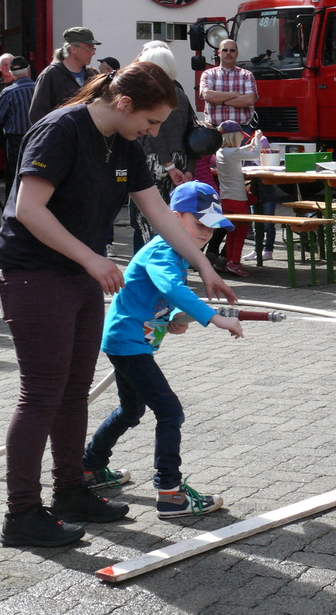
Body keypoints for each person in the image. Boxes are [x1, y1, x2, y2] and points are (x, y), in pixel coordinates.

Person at [0, 62, 237, 548]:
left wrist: (203, 265)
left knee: (74, 390)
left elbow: (159, 213)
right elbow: (28, 209)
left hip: (81, 273)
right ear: (123, 103)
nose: (152, 132)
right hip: (34, 273)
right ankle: (22, 513)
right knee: (41, 394)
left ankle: (70, 490)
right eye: (150, 122)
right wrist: (92, 259)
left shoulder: (124, 142)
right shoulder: (59, 131)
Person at [83, 181, 243, 518]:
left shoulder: (178, 253)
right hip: (128, 343)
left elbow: (161, 295)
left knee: (131, 411)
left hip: (130, 341)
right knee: (170, 411)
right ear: (174, 217)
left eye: (213, 229)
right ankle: (170, 492)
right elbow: (171, 286)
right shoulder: (163, 250)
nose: (206, 234)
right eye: (199, 224)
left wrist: (173, 318)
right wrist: (213, 318)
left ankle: (89, 467)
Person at [129, 42, 201, 251]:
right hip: (180, 162)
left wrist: (168, 165)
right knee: (171, 218)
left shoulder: (148, 94)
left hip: (155, 162)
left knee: (144, 220)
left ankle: (147, 266)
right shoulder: (178, 91)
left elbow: (152, 134)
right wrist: (189, 167)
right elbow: (194, 132)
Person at [214, 121, 262, 277]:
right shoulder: (232, 153)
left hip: (226, 198)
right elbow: (255, 154)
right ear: (234, 137)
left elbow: (240, 151)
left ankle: (229, 260)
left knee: (231, 231)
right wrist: (259, 141)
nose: (242, 139)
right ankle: (234, 262)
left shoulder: (221, 152)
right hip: (237, 198)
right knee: (241, 231)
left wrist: (252, 143)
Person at [29, 27, 100, 124]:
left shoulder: (92, 75)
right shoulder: (51, 75)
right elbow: (37, 114)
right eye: (88, 48)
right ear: (73, 49)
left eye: (93, 48)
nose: (93, 53)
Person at [0, 57, 35, 199]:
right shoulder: (39, 88)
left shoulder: (9, 92)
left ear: (12, 73)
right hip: (38, 139)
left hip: (16, 141)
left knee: (16, 176)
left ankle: (14, 210)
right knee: (36, 174)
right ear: (28, 71)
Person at [199, 39, 258, 129]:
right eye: (225, 50)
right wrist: (234, 94)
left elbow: (249, 100)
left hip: (241, 130)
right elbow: (207, 96)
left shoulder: (247, 75)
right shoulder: (208, 74)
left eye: (232, 50)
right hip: (215, 129)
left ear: (237, 53)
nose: (228, 53)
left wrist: (220, 101)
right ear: (219, 53)